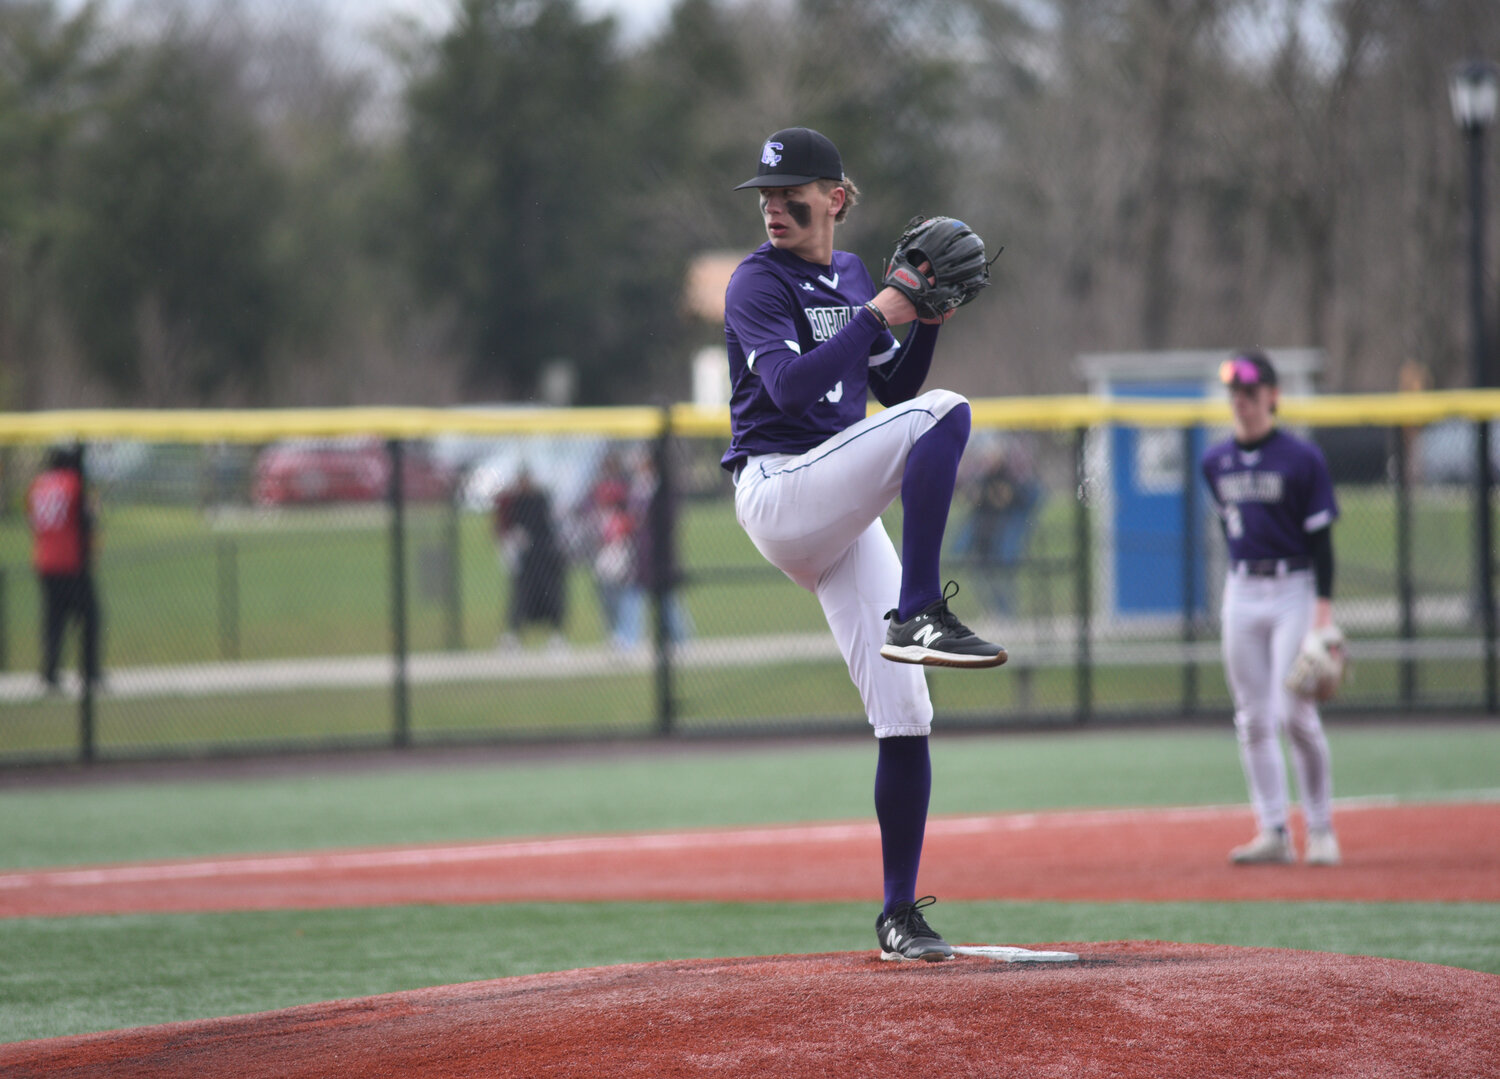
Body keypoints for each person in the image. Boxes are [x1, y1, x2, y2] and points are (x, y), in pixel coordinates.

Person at [722, 126, 1005, 962]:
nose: (775, 205)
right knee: (947, 413)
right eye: (767, 195)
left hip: (834, 505)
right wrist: (885, 308)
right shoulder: (755, 282)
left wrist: (925, 318)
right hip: (779, 487)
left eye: (793, 191)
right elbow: (790, 383)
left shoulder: (848, 273)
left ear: (836, 199)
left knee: (908, 710)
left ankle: (897, 915)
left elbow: (890, 384)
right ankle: (918, 608)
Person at [1200, 351, 1341, 866]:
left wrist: (1323, 615)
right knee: (1253, 719)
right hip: (1242, 588)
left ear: (1272, 397)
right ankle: (1273, 831)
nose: (1241, 402)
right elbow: (1228, 529)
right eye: (1235, 394)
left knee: (1295, 713)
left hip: (1294, 587)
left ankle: (1322, 829)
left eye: (1250, 392)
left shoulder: (1302, 459)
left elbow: (1323, 543)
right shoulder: (1214, 462)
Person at [27, 444, 101, 691]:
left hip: (45, 561)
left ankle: (50, 674)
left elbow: (32, 521)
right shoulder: (74, 483)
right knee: (90, 617)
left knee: (53, 621)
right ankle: (90, 673)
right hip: (71, 563)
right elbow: (85, 521)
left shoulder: (38, 484)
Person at [951, 441, 1041, 615]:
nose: (989, 461)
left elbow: (1022, 500)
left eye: (993, 457)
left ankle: (1006, 613)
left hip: (999, 541)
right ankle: (994, 611)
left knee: (1003, 574)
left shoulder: (1011, 478)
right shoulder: (983, 480)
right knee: (981, 574)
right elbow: (970, 498)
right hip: (983, 539)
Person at [493, 466, 567, 648]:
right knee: (521, 597)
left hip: (545, 556)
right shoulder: (517, 501)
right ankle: (513, 636)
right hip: (526, 557)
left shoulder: (542, 499)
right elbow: (506, 524)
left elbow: (552, 526)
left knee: (551, 596)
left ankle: (556, 636)